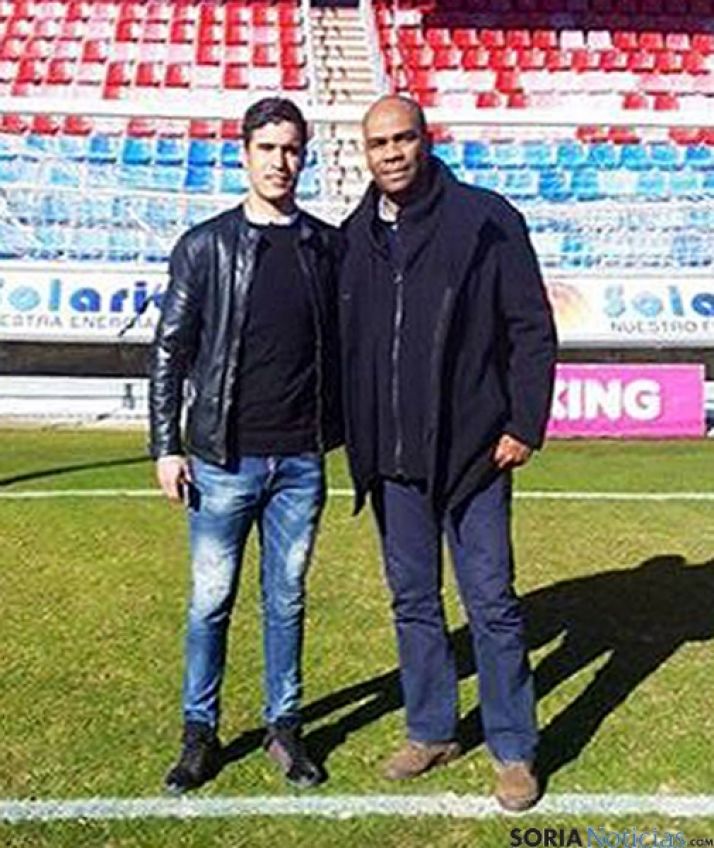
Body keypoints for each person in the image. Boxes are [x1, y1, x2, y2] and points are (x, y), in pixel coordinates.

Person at [339, 96, 557, 812]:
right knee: (413, 602)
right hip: (394, 459)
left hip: (475, 454)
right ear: (364, 153)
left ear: (426, 141)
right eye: (379, 143)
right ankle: (432, 728)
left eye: (404, 138)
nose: (392, 153)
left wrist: (524, 421)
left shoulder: (486, 220)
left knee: (492, 605)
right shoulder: (356, 235)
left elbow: (530, 327)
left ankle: (514, 749)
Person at [149, 97, 341, 794]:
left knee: (286, 599)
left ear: (304, 155)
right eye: (268, 148)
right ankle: (199, 734)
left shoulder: (326, 245)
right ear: (244, 154)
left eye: (291, 149)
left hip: (299, 463)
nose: (280, 162)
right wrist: (166, 446)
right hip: (221, 461)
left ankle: (283, 729)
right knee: (210, 603)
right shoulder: (204, 245)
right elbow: (171, 351)